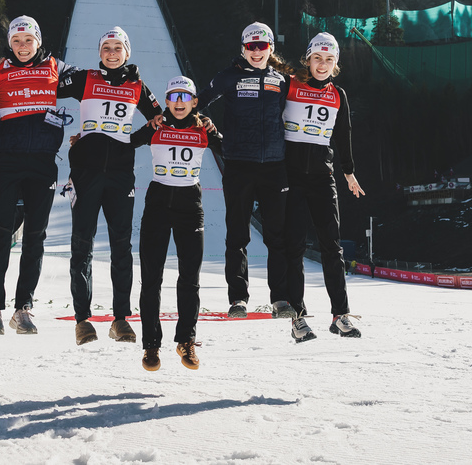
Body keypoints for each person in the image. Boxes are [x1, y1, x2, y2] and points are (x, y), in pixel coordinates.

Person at [0, 16, 78, 335]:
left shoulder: (57, 67)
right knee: (1, 234)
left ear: (38, 41)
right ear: (9, 44)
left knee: (35, 236)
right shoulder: (0, 69)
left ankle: (23, 308)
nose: (22, 46)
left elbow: (89, 83)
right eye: (16, 41)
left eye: (28, 40)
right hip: (7, 161)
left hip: (43, 163)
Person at [63, 27, 162, 345]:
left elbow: (160, 120)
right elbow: (48, 87)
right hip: (85, 174)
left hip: (120, 175)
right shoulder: (85, 78)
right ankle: (83, 320)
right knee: (82, 245)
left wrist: (131, 141)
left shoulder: (137, 85)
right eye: (106, 47)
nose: (112, 53)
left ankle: (120, 319)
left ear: (127, 52)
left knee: (122, 247)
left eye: (118, 47)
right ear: (99, 52)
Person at [196, 22, 293, 320]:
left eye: (262, 46)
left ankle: (280, 299)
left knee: (277, 236)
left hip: (275, 166)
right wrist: (209, 129)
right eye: (251, 46)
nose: (256, 51)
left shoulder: (282, 81)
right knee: (238, 235)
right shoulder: (228, 77)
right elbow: (197, 103)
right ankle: (238, 298)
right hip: (239, 165)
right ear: (243, 48)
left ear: (271, 48)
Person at [131, 76, 222, 371]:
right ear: (167, 101)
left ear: (194, 102)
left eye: (185, 97)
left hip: (189, 206)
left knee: (190, 279)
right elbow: (126, 144)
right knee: (151, 279)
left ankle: (186, 341)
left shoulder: (202, 128)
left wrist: (216, 130)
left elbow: (232, 152)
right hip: (157, 204)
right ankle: (151, 345)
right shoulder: (157, 126)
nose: (179, 102)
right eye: (174, 97)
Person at [281, 32, 365, 342]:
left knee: (332, 246)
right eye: (317, 58)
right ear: (308, 59)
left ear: (335, 63)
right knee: (295, 247)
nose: (322, 64)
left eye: (329, 59)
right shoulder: (290, 85)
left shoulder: (338, 94)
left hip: (322, 177)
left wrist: (349, 172)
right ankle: (298, 318)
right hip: (291, 176)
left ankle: (340, 315)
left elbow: (343, 134)